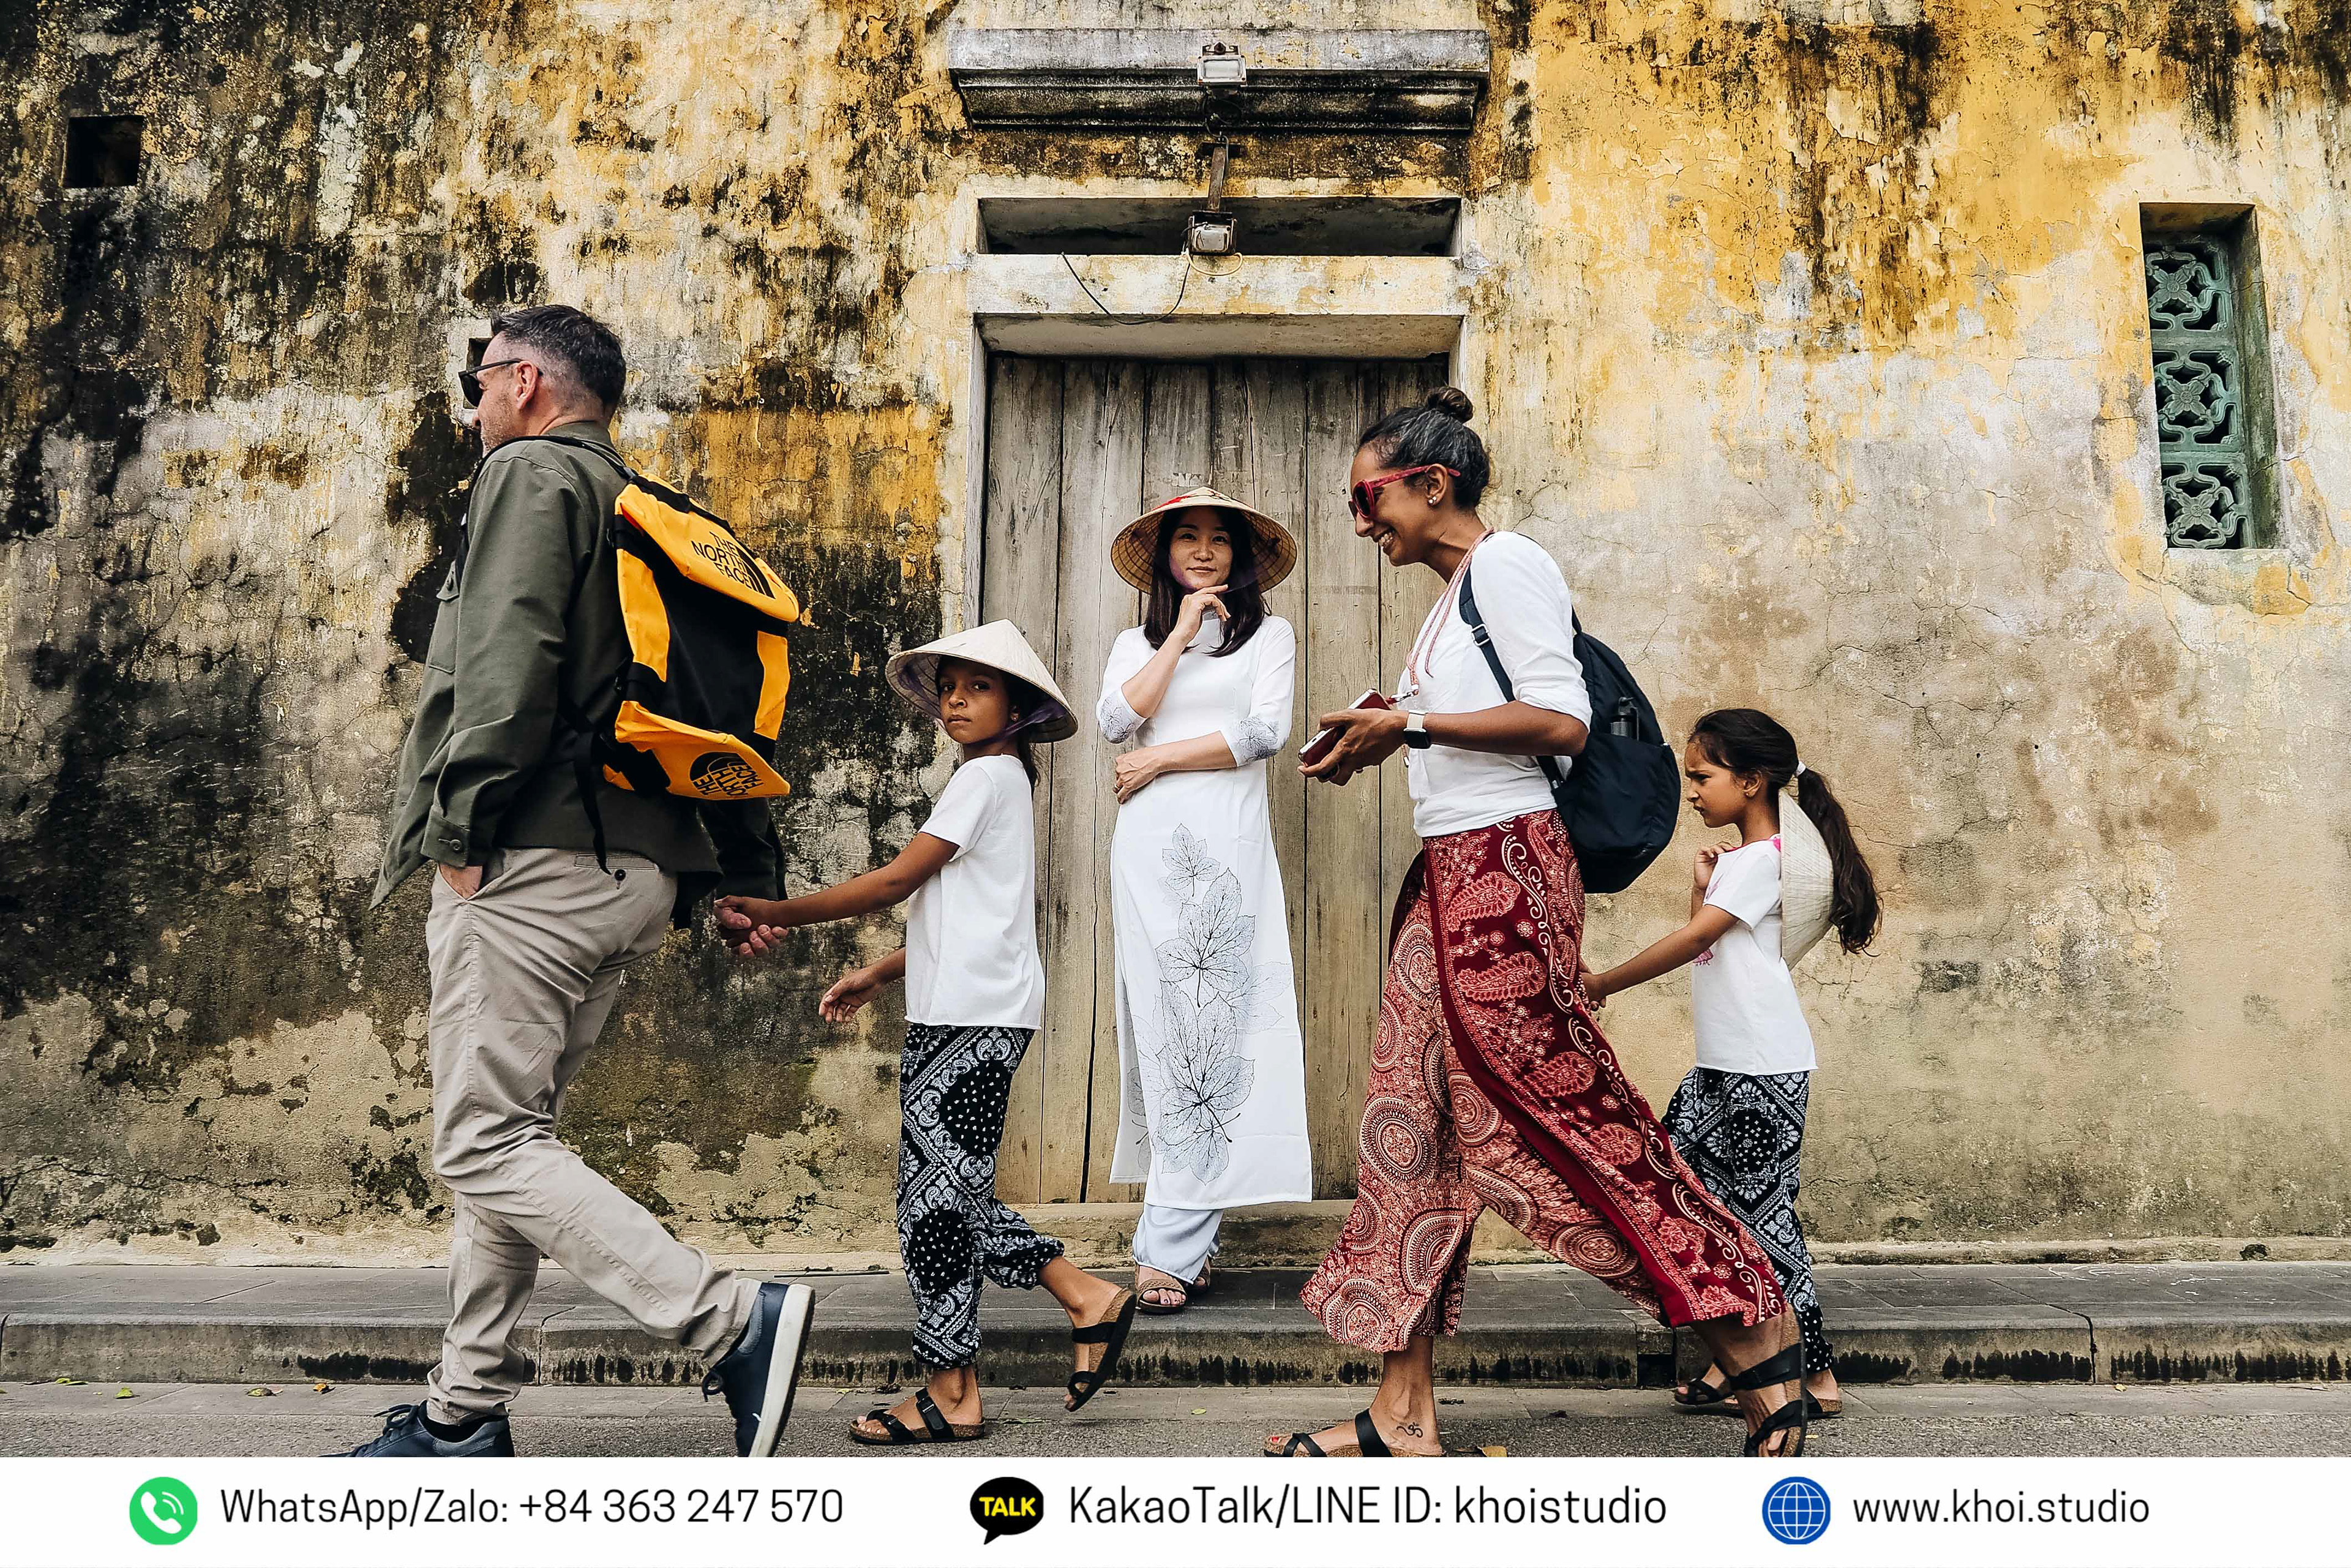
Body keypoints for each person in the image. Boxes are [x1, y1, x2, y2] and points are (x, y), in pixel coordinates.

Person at [1270, 387, 1810, 1460]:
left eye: (1369, 497)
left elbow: (1558, 721)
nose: (1361, 520)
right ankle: (1402, 1411)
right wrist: (1385, 725)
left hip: (1507, 879)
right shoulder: (1450, 601)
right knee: (1408, 1131)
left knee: (1561, 1115)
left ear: (1433, 484)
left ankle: (1751, 1324)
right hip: (1450, 876)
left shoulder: (1510, 563)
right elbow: (1472, 722)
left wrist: (1407, 724)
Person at [360, 305, 811, 1460]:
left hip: (533, 863)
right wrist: (732, 879)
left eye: (480, 383)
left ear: (524, 384)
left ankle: (728, 1322)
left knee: (479, 1144)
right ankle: (465, 1411)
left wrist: (459, 827)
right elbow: (725, 716)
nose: (473, 409)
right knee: (513, 1142)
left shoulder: (532, 479)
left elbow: (507, 660)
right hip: (639, 877)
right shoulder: (661, 516)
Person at [716, 621, 1139, 1444]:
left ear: (1016, 707)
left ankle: (955, 1389)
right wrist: (882, 971)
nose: (955, 700)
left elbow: (899, 878)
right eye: (948, 686)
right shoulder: (994, 781)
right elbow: (968, 913)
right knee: (947, 1196)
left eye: (977, 687)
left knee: (933, 1207)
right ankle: (1080, 1298)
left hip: (972, 1023)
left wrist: (774, 911)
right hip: (967, 1013)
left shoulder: (986, 780)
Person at [1581, 708, 1880, 1422]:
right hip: (1727, 1066)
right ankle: (1741, 1357)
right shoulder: (1743, 865)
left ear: (1751, 782)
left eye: (1702, 777)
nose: (1691, 792)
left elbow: (1690, 945)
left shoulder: (1763, 861)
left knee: (1763, 1219)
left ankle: (1814, 1373)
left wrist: (1599, 984)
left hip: (1757, 1070)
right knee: (1701, 1200)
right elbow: (1710, 944)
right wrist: (1701, 888)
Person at [1097, 488, 1311, 1314]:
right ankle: (1189, 1240)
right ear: (1164, 556)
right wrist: (1182, 635)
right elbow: (1119, 719)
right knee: (1167, 1030)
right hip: (1150, 854)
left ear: (1242, 557)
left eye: (1220, 540)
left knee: (1212, 1028)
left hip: (1226, 848)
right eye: (1187, 538)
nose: (1205, 551)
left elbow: (1264, 733)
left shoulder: (1272, 637)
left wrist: (1160, 762)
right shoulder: (1134, 642)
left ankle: (1170, 1247)